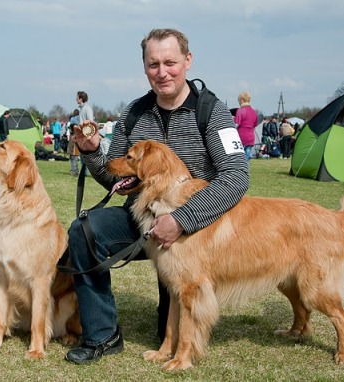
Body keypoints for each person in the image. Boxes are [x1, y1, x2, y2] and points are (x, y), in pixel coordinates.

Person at [64, 28, 249, 365]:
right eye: (153, 64)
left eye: (170, 62)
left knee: (169, 323)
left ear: (187, 61)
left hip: (195, 230)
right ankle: (102, 336)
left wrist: (181, 219)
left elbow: (236, 177)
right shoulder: (133, 113)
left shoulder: (213, 111)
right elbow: (114, 177)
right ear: (144, 67)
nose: (162, 72)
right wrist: (92, 153)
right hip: (142, 219)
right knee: (84, 231)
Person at [234, 91, 258, 161]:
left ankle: (240, 171)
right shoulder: (253, 111)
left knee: (240, 157)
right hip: (251, 137)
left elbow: (236, 124)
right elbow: (255, 124)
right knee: (247, 156)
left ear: (241, 101)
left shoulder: (240, 110)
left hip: (242, 136)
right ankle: (246, 171)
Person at [67, 110, 81, 176]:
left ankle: (74, 171)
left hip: (74, 150)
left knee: (74, 161)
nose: (69, 130)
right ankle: (75, 171)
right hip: (72, 150)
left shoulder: (75, 135)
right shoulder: (73, 134)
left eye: (70, 129)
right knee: (73, 161)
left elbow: (76, 142)